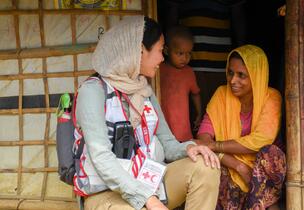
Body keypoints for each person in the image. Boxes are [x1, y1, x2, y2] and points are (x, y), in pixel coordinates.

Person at [74, 16, 221, 210]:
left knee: (206, 165)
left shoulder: (144, 91)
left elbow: (168, 144)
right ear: (140, 50)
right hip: (107, 193)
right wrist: (147, 199)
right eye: (160, 50)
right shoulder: (93, 91)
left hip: (151, 184)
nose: (162, 58)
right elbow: (101, 157)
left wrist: (189, 148)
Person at [196, 45, 286, 210]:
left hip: (263, 170)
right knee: (206, 162)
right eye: (230, 73)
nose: (233, 80)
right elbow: (203, 139)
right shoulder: (222, 94)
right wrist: (237, 165)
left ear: (256, 76)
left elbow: (261, 140)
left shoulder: (271, 97)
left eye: (241, 75)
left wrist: (217, 145)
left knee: (270, 154)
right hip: (230, 166)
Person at [160, 26, 201, 142]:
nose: (185, 58)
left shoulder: (188, 72)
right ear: (167, 51)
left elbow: (196, 93)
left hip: (181, 123)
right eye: (180, 53)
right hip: (163, 119)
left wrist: (199, 113)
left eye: (189, 53)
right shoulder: (158, 69)